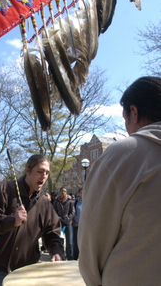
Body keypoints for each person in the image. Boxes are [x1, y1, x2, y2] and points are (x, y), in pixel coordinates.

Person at [78, 76, 161, 286]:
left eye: (124, 120)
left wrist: (93, 280)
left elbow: (92, 236)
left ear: (134, 112)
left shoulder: (122, 155)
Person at [0, 154, 63, 286]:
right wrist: (12, 221)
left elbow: (52, 232)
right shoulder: (5, 189)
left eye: (47, 173)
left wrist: (56, 251)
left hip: (27, 270)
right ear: (27, 170)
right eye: (40, 171)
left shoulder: (44, 203)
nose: (44, 176)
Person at [53, 186, 75, 260]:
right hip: (60, 224)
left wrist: (68, 219)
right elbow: (54, 212)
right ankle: (61, 256)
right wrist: (59, 218)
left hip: (68, 223)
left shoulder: (70, 201)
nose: (63, 192)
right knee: (60, 241)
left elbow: (73, 211)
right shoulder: (56, 202)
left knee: (70, 242)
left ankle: (70, 257)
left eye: (65, 191)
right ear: (59, 192)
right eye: (62, 191)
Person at [72, 188, 82, 260]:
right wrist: (73, 222)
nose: (82, 194)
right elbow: (71, 213)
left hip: (85, 226)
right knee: (76, 242)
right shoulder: (74, 203)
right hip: (76, 225)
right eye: (81, 192)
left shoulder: (88, 202)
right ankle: (75, 257)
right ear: (78, 193)